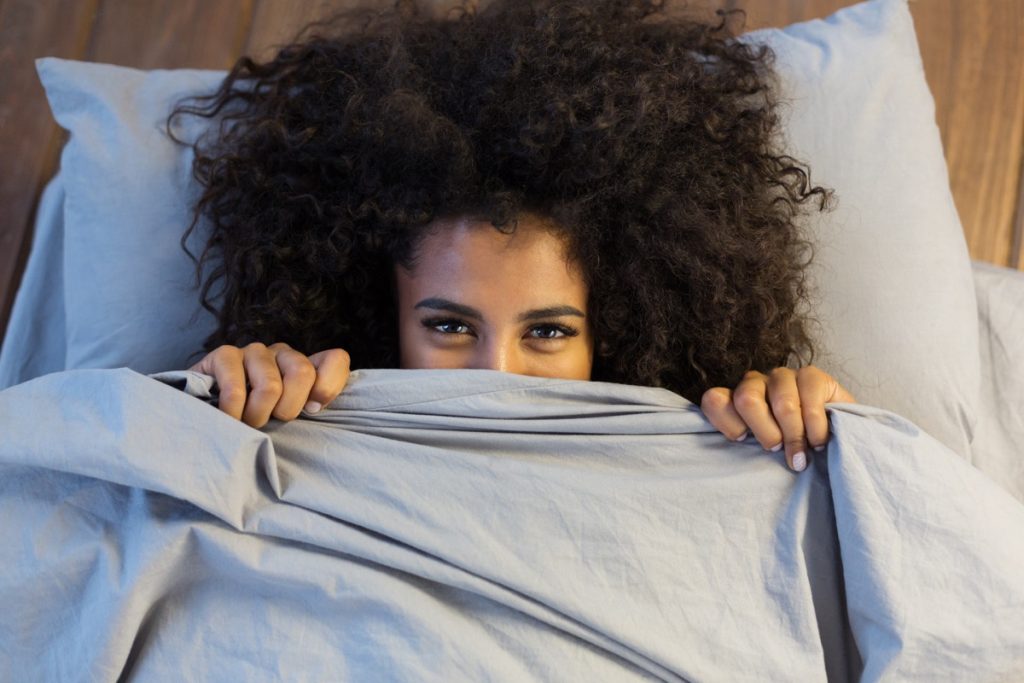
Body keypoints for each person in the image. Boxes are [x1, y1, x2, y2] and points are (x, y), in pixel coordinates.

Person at [170, 0, 856, 473]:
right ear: (386, 318)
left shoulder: (722, 442)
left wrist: (828, 428)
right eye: (449, 326)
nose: (495, 375)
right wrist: (209, 403)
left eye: (550, 332)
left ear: (612, 334)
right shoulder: (289, 430)